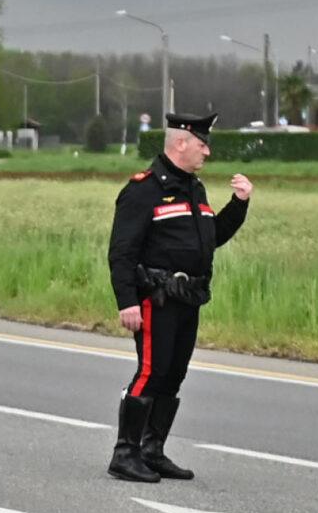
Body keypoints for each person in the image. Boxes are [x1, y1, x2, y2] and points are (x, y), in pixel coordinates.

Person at [106, 108, 251, 482]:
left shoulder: (193, 188)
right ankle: (125, 453)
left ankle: (152, 451)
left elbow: (211, 238)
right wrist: (127, 301)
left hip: (189, 298)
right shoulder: (144, 189)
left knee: (174, 375)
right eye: (203, 145)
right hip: (156, 298)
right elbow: (122, 252)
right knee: (151, 372)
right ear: (181, 142)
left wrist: (239, 205)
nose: (207, 153)